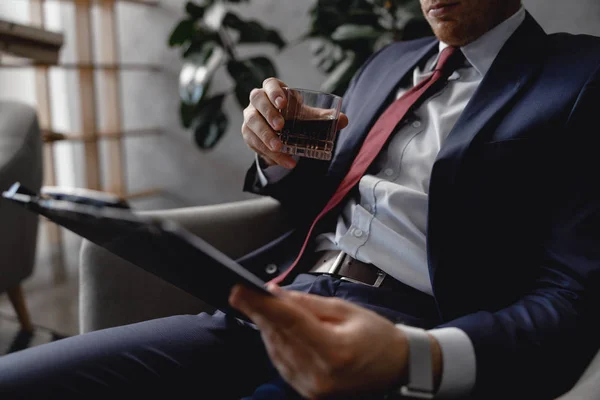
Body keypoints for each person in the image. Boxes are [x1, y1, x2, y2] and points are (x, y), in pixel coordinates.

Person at [1, 0, 600, 398]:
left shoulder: (579, 77)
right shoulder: (390, 62)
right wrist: (277, 155)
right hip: (270, 302)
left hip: (399, 333)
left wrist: (415, 358)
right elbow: (326, 190)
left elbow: (573, 298)